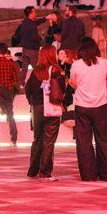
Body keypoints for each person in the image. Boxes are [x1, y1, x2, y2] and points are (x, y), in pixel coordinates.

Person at [69, 37, 107, 181]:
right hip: (101, 105)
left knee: (84, 142)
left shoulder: (76, 64)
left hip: (82, 106)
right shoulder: (104, 62)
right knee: (103, 140)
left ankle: (88, 175)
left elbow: (73, 83)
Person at [25, 45, 64, 181]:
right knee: (49, 142)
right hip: (51, 108)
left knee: (37, 140)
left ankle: (33, 171)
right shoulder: (55, 70)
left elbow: (28, 90)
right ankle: (45, 173)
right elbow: (62, 90)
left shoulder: (35, 71)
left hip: (36, 109)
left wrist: (33, 102)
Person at [19, 6, 49, 84]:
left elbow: (35, 23)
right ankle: (39, 82)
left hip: (25, 49)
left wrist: (45, 18)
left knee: (24, 67)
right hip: (33, 49)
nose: (35, 13)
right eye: (34, 12)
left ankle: (22, 82)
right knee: (36, 68)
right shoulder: (32, 25)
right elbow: (34, 38)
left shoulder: (25, 22)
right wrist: (41, 38)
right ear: (30, 14)